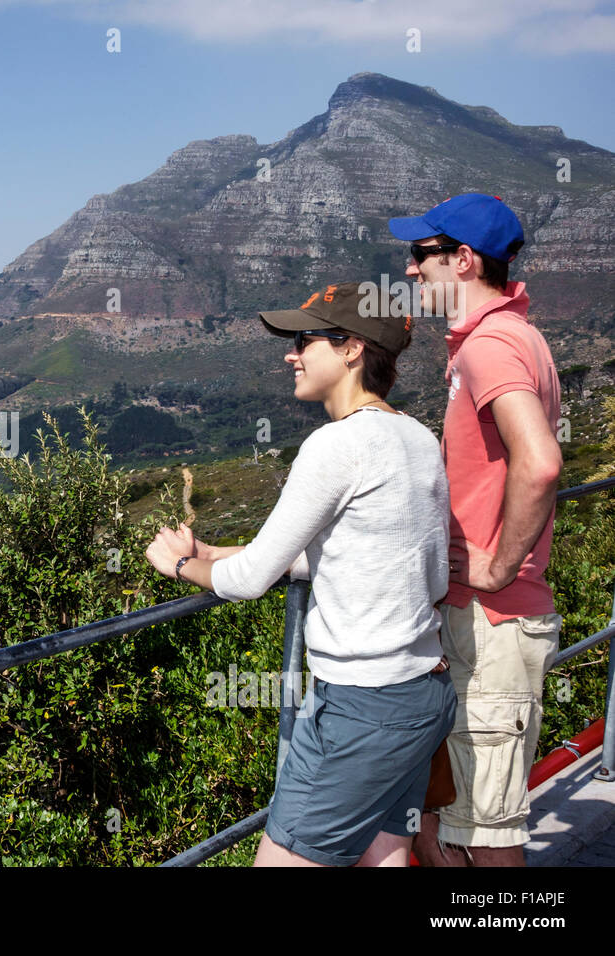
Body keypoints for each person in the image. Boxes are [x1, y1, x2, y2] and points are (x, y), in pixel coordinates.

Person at [146, 281, 456, 867]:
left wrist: (182, 564)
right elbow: (357, 554)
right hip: (423, 693)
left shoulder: (335, 445)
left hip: (362, 708)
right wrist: (216, 551)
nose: (291, 353)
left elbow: (248, 582)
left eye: (303, 339)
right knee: (384, 859)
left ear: (351, 350)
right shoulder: (417, 437)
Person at [388, 194, 564, 867]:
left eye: (420, 255)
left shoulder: (491, 347)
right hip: (482, 619)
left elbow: (542, 464)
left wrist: (495, 567)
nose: (409, 271)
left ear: (462, 260)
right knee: (451, 823)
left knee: (489, 838)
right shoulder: (509, 339)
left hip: (493, 618)